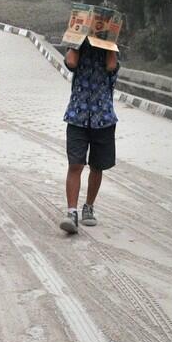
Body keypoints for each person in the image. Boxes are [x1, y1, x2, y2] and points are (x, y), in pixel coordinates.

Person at [60, 38, 119, 234]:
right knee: (75, 164)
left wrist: (109, 41)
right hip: (77, 116)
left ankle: (89, 207)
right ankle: (71, 213)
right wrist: (76, 38)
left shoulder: (111, 52)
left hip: (103, 118)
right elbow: (71, 62)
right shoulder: (78, 50)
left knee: (97, 166)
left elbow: (111, 66)